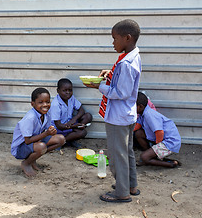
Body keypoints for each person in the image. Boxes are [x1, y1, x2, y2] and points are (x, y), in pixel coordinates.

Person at [84, 19, 141, 202]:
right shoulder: (132, 57)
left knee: (118, 155)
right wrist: (111, 73)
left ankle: (121, 193)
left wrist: (98, 87)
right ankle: (130, 185)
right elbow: (124, 82)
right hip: (127, 114)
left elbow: (121, 92)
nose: (113, 43)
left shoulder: (125, 63)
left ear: (127, 37)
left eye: (115, 38)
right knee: (127, 152)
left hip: (118, 116)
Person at [11, 87, 66, 177]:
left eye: (47, 102)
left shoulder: (46, 113)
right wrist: (47, 134)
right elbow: (27, 141)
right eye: (40, 102)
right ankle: (26, 163)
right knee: (41, 147)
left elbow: (47, 129)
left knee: (61, 139)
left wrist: (52, 132)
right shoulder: (30, 117)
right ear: (33, 104)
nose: (45, 105)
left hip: (34, 142)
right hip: (20, 148)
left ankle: (33, 158)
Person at [135, 92, 181, 168]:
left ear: (140, 106)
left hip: (170, 141)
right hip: (161, 138)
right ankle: (151, 156)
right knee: (138, 133)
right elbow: (137, 126)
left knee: (143, 157)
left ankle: (171, 164)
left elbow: (159, 132)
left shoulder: (149, 115)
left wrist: (156, 147)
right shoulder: (142, 113)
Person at [50, 78, 92, 148]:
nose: (68, 93)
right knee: (82, 133)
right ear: (58, 91)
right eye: (64, 90)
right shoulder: (56, 104)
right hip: (58, 130)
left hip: (69, 124)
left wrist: (74, 119)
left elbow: (81, 109)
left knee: (88, 116)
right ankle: (62, 142)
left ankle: (70, 138)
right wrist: (74, 126)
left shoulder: (71, 98)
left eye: (70, 90)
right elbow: (59, 126)